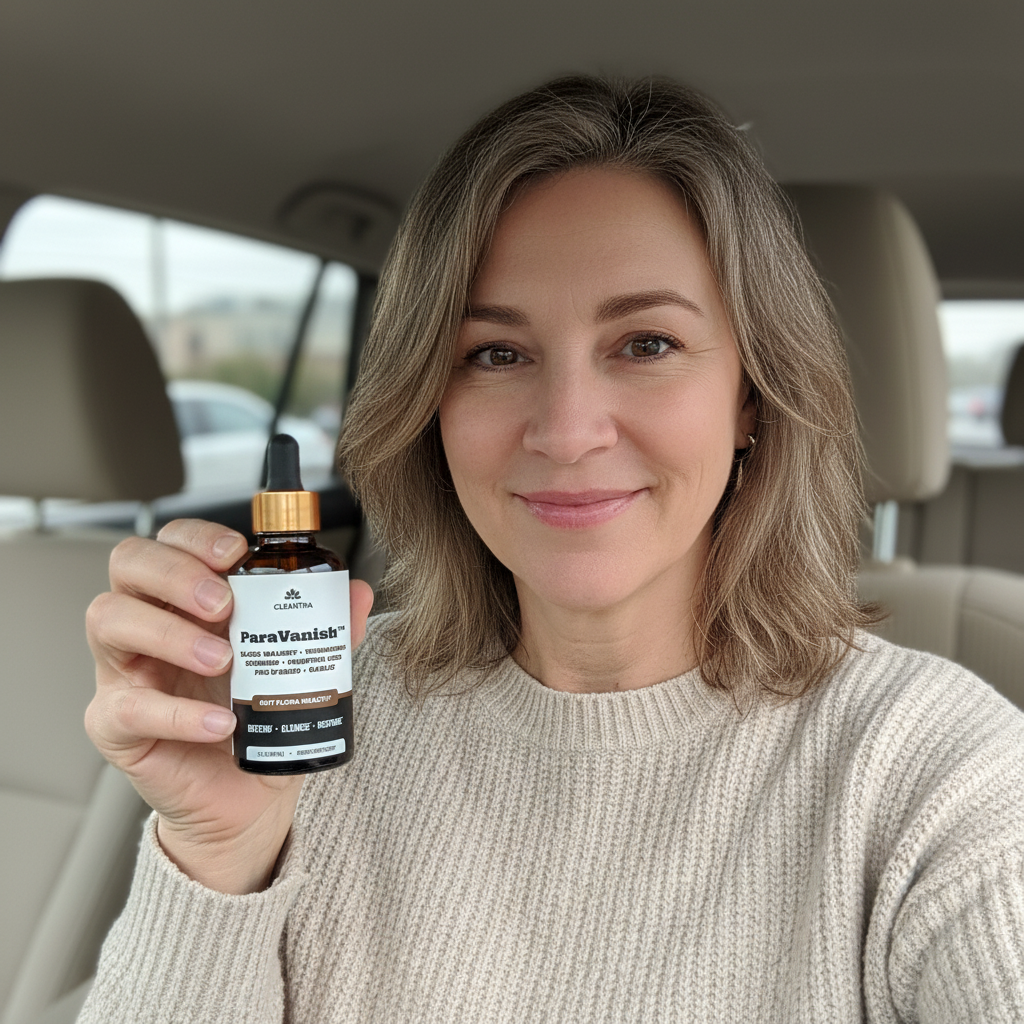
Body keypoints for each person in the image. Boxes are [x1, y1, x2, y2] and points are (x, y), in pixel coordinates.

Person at [80, 76, 1024, 1022]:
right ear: (429, 405)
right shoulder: (309, 713)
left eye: (646, 344)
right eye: (495, 354)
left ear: (751, 396)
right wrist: (217, 853)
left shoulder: (936, 770)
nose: (567, 431)